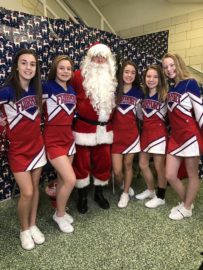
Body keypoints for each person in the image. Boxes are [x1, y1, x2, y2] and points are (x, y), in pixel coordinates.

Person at [0, 49, 47, 250]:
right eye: (24, 63)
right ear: (16, 66)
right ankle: (23, 229)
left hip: (37, 147)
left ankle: (33, 224)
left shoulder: (39, 90)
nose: (28, 67)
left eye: (32, 64)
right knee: (26, 192)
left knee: (35, 188)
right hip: (18, 150)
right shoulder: (7, 90)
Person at [72, 43, 117, 214]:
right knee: (81, 163)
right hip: (83, 130)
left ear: (108, 60)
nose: (99, 60)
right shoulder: (77, 77)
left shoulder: (112, 79)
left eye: (103, 57)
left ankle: (99, 193)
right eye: (96, 56)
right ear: (89, 58)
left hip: (105, 131)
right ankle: (82, 196)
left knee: (103, 162)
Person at [162, 53, 203, 220]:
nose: (169, 69)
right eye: (165, 67)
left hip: (189, 135)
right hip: (175, 136)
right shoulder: (172, 88)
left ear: (178, 64)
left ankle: (186, 207)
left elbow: (200, 111)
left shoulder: (190, 83)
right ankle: (187, 202)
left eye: (172, 65)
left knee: (193, 174)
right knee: (170, 175)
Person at [42, 55, 76, 232]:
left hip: (69, 139)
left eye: (68, 68)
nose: (65, 71)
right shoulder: (47, 87)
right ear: (55, 69)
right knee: (71, 179)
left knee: (63, 179)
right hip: (53, 139)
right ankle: (59, 215)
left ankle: (60, 211)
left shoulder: (71, 90)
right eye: (61, 68)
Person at [111, 60, 143, 208]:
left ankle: (125, 193)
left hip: (131, 135)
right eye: (126, 72)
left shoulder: (139, 92)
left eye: (133, 73)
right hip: (115, 136)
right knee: (117, 170)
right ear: (121, 72)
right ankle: (123, 184)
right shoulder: (113, 89)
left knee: (128, 164)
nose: (129, 75)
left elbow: (140, 115)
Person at [135, 65, 168, 208]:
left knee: (159, 167)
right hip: (146, 133)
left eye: (155, 77)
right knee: (143, 164)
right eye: (148, 76)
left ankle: (161, 197)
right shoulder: (143, 95)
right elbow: (140, 115)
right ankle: (150, 190)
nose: (151, 79)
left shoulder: (165, 95)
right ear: (144, 78)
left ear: (160, 79)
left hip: (159, 134)